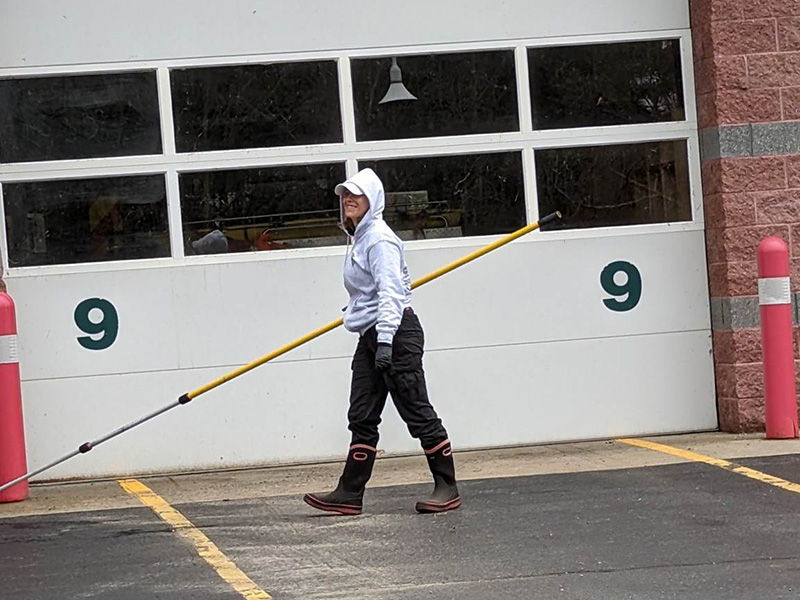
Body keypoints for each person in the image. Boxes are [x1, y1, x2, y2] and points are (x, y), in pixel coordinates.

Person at [303, 168, 460, 516]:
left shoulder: (379, 240)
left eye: (355, 195)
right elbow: (368, 293)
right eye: (344, 195)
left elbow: (391, 294)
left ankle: (447, 487)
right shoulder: (359, 238)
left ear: (372, 200)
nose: (348, 200)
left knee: (416, 411)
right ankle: (349, 492)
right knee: (361, 414)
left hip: (396, 334)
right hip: (370, 335)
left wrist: (386, 341)